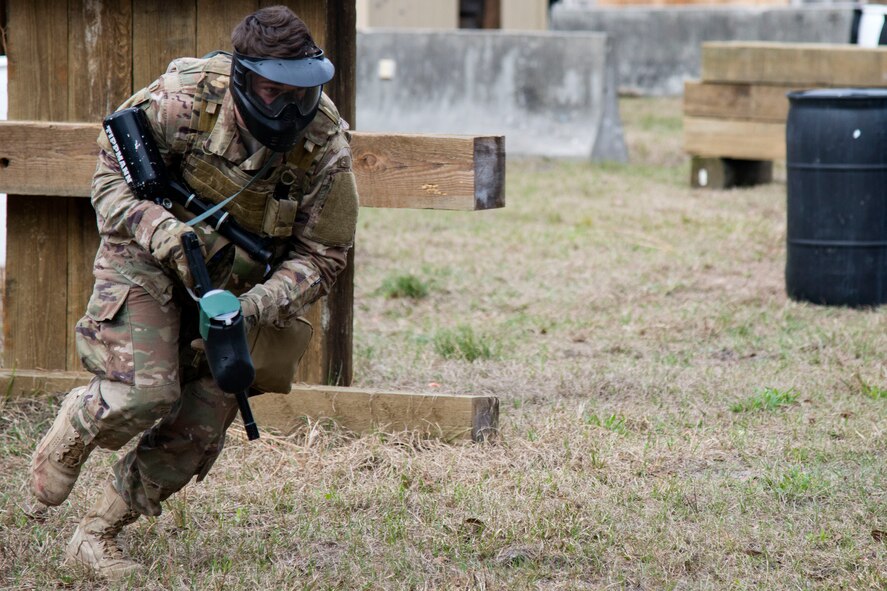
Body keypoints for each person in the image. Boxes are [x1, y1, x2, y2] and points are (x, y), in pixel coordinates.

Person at [28, 5, 358, 580]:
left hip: (240, 289)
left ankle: (98, 533)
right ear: (241, 79)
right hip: (149, 258)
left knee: (201, 424)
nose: (290, 108)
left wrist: (255, 307)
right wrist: (161, 230)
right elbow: (107, 182)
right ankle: (79, 424)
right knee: (146, 393)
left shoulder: (323, 144)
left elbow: (324, 256)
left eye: (301, 94)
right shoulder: (180, 100)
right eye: (273, 91)